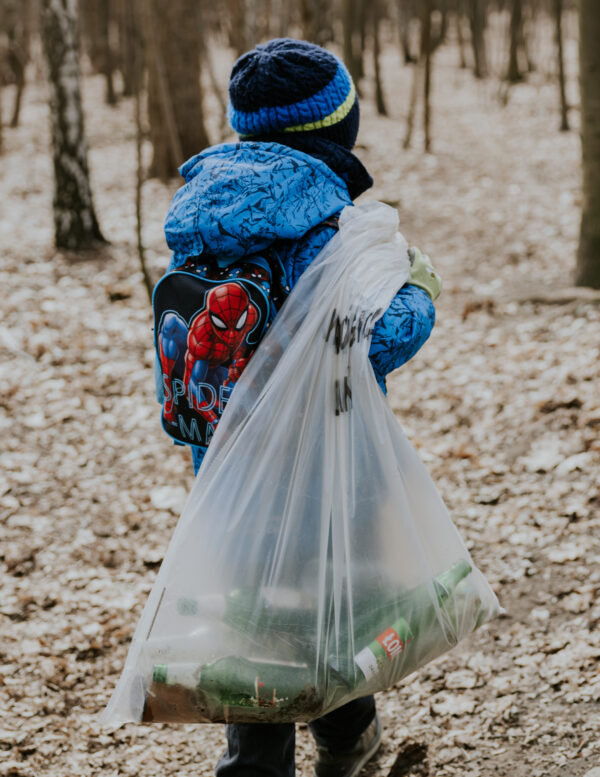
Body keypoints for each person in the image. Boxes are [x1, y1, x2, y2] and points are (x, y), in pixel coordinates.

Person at [155, 37, 441, 777]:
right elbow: (369, 340)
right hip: (327, 473)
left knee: (257, 618)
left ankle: (300, 751)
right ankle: (340, 748)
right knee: (325, 608)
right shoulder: (324, 228)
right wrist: (419, 294)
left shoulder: (201, 219)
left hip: (229, 479)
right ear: (334, 131)